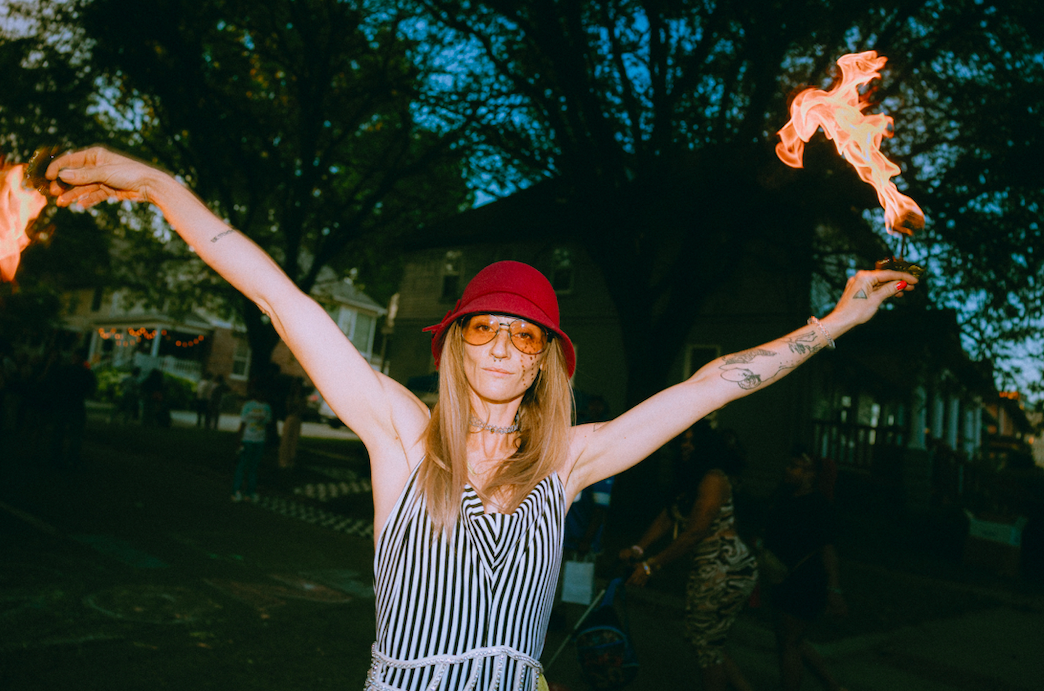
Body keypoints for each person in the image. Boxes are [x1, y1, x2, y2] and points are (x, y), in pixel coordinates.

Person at [45, 146, 916, 691]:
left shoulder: (569, 461)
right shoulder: (400, 433)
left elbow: (718, 382)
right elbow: (277, 294)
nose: (502, 346)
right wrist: (156, 183)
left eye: (523, 334)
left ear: (544, 358)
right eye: (485, 327)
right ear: (456, 343)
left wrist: (830, 325)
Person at [620, 422, 757, 691]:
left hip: (724, 568)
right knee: (707, 641)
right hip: (710, 566)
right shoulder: (691, 480)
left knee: (706, 645)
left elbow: (695, 531)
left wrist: (652, 565)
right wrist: (639, 548)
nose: (685, 445)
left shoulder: (713, 479)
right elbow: (670, 515)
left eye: (692, 441)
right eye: (682, 440)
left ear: (706, 447)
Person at [762, 446, 848, 691]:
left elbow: (827, 549)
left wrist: (834, 588)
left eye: (795, 466)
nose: (788, 470)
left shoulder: (818, 505)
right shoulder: (785, 496)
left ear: (811, 474)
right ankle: (833, 685)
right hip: (781, 578)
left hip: (804, 581)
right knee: (792, 640)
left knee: (789, 642)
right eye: (789, 465)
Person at [48, 347, 98, 470]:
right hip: (76, 405)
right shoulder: (87, 373)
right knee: (75, 434)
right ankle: (72, 458)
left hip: (63, 404)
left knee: (58, 432)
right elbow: (91, 390)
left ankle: (56, 457)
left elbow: (54, 385)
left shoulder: (64, 370)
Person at [232, 382, 272, 502]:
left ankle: (250, 492)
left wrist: (267, 441)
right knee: (242, 466)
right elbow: (243, 423)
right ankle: (236, 491)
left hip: (259, 440)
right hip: (247, 439)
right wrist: (238, 440)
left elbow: (268, 425)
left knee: (253, 467)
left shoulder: (267, 407)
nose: (262, 395)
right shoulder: (248, 406)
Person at [278, 376, 305, 470]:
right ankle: (283, 460)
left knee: (294, 439)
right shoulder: (291, 396)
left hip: (298, 418)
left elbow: (303, 409)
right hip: (291, 417)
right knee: (286, 439)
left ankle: (291, 460)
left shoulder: (302, 397)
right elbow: (288, 407)